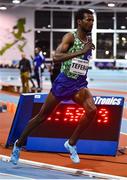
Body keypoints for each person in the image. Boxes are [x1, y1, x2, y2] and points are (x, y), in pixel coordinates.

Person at [10, 9, 97, 164]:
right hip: (64, 83)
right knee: (42, 116)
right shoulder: (70, 37)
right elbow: (56, 57)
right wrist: (81, 52)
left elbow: (83, 59)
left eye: (92, 20)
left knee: (91, 110)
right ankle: (18, 144)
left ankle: (70, 143)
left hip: (79, 84)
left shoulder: (88, 40)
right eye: (88, 20)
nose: (91, 22)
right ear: (79, 21)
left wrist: (87, 50)